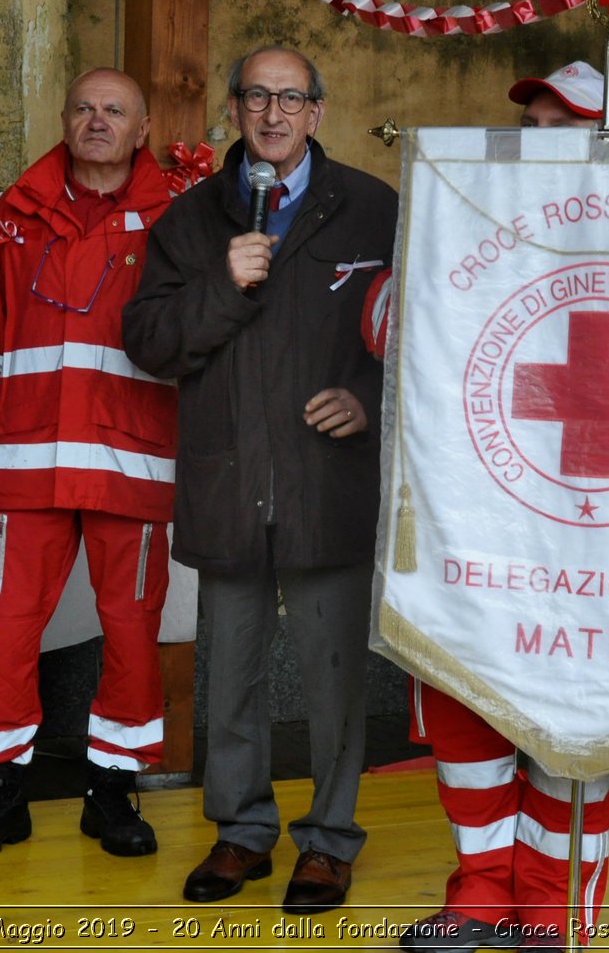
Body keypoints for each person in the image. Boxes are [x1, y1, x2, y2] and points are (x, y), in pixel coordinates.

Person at [122, 45, 397, 914]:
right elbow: (149, 339)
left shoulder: (372, 208)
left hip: (328, 479)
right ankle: (240, 833)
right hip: (229, 478)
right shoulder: (192, 219)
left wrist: (368, 401)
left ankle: (328, 842)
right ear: (233, 109)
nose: (273, 114)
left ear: (317, 110)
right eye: (256, 97)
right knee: (230, 674)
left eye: (291, 98)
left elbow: (431, 331)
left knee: (333, 679)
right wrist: (220, 281)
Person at [383, 62, 609, 953]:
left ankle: (552, 914)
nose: (534, 144)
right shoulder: (469, 226)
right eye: (528, 128)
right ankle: (482, 894)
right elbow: (381, 330)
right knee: (466, 711)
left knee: (573, 725)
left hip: (594, 534)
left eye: (559, 128)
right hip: (473, 522)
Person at [0, 68, 176, 864]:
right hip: (29, 460)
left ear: (144, 129)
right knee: (5, 627)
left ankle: (112, 791)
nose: (97, 121)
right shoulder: (15, 212)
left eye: (115, 110)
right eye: (83, 107)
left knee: (133, 632)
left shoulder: (177, 214)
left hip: (131, 458)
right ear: (64, 119)